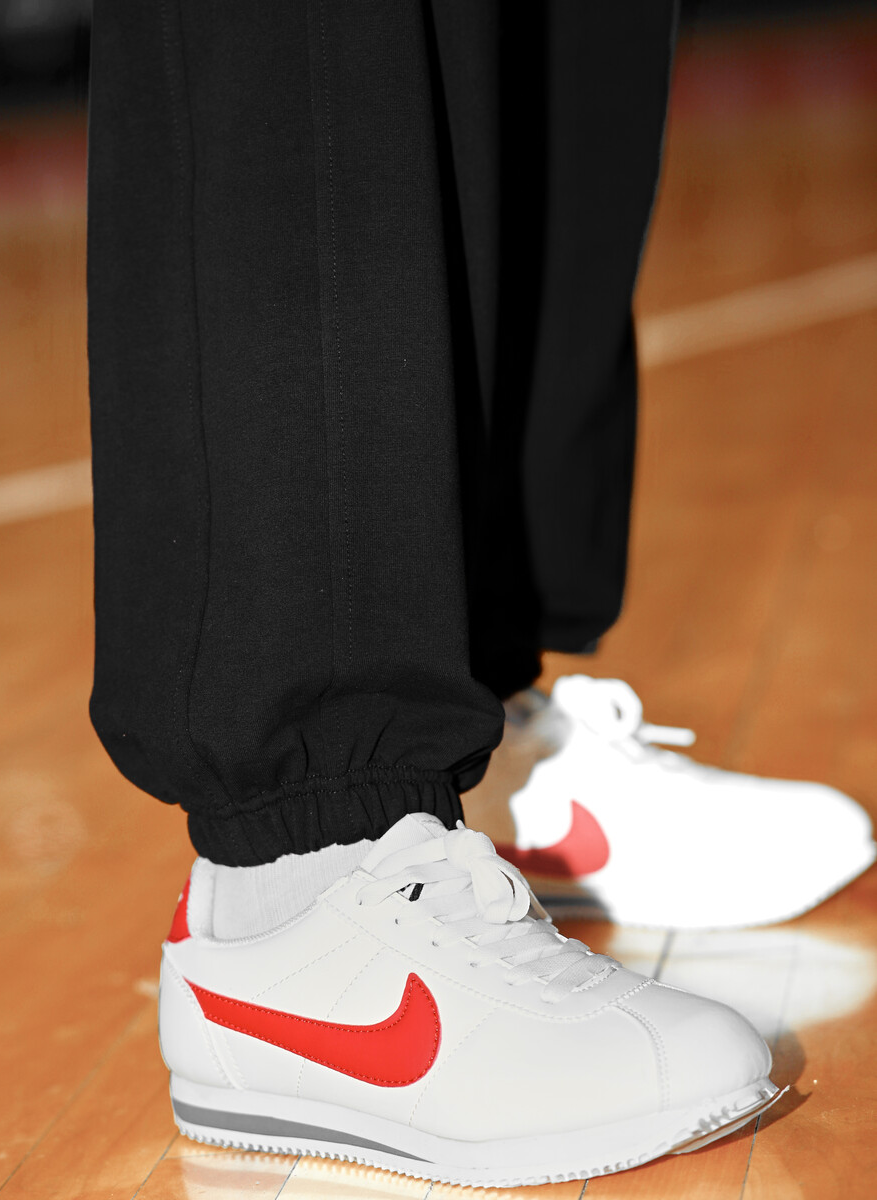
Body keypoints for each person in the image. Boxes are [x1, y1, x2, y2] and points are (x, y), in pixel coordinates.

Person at [86, 1, 871, 1185]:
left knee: (560, 41)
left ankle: (489, 721)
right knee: (316, 57)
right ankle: (309, 872)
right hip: (305, 817)